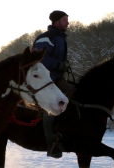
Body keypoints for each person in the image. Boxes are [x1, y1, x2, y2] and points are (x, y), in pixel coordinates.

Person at [32, 10, 75, 159]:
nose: (67, 23)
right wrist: (59, 65)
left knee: (77, 94)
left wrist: (63, 65)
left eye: (67, 20)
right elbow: (39, 59)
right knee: (49, 109)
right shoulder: (46, 38)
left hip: (56, 80)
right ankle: (52, 145)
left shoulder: (60, 38)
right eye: (64, 20)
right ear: (56, 21)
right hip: (44, 83)